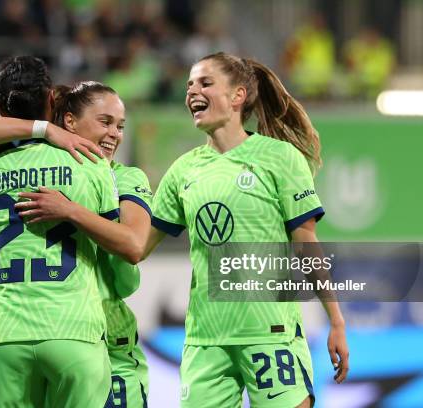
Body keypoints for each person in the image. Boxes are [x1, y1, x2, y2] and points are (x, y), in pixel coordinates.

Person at [143, 52, 349, 407]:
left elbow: (307, 244)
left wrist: (336, 321)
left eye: (205, 83)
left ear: (238, 96)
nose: (193, 90)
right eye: (190, 84)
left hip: (270, 334)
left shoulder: (280, 158)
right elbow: (137, 245)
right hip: (206, 341)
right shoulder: (183, 170)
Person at [0, 80, 152, 407]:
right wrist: (44, 131)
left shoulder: (122, 175)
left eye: (120, 126)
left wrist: (70, 209)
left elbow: (133, 246)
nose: (115, 134)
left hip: (100, 334)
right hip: (78, 330)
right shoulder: (96, 172)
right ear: (69, 123)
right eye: (105, 122)